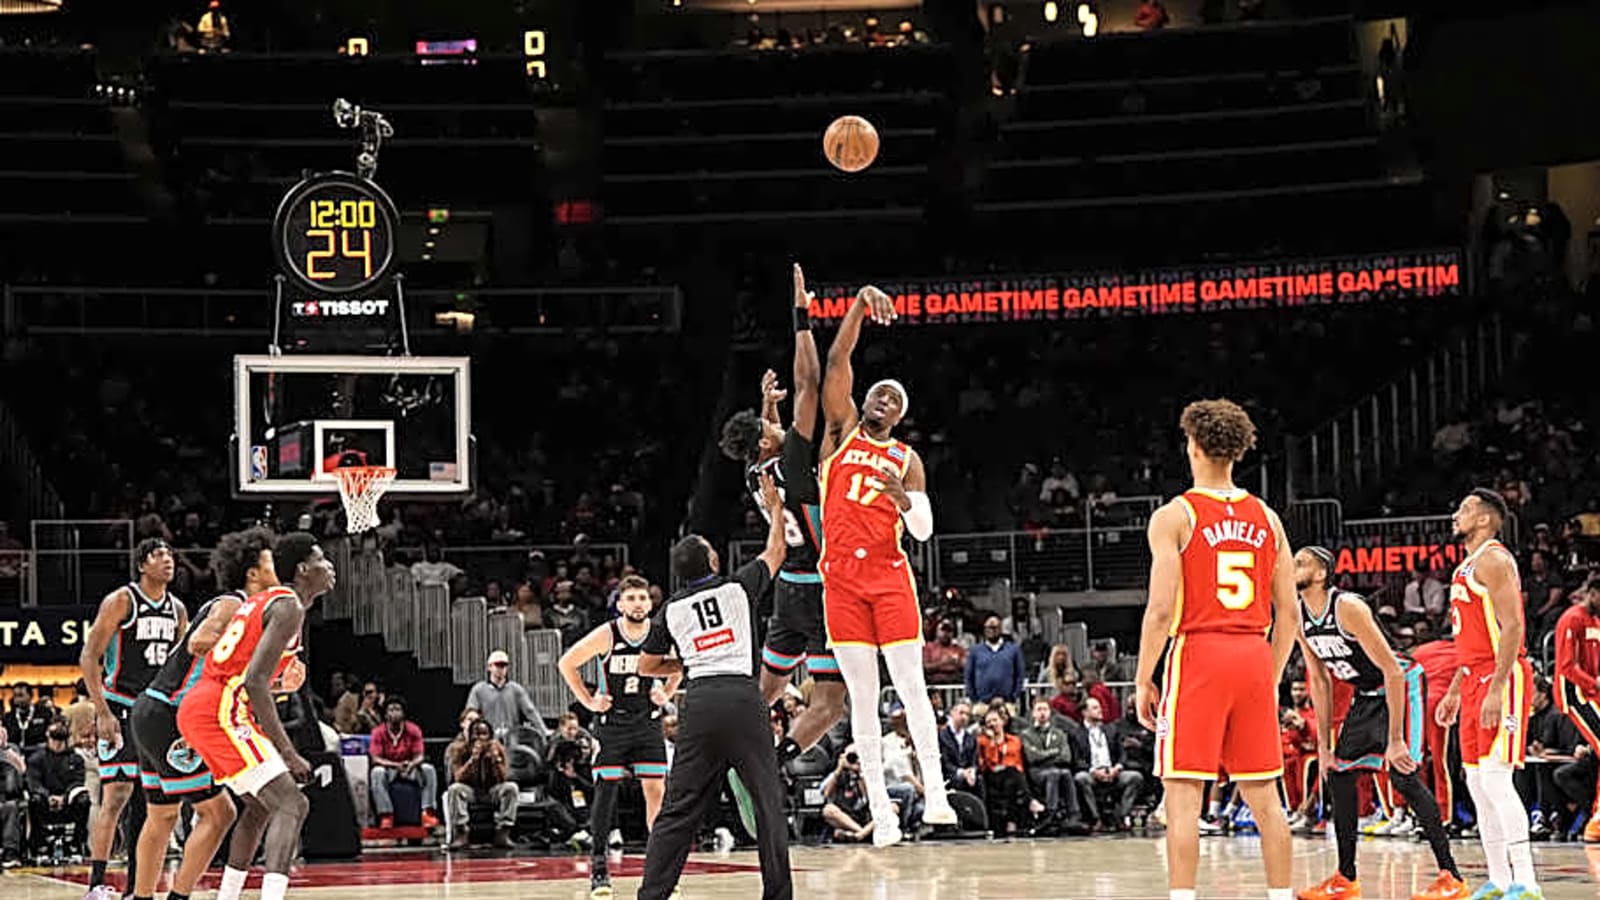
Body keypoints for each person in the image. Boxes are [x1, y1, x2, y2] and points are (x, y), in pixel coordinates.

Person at [1134, 399, 1297, 900]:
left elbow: (1160, 610)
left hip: (1199, 653)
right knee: (1265, 797)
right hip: (1253, 652)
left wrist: (1143, 677)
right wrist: (1270, 677)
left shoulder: (1175, 515)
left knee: (1183, 796)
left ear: (1194, 447)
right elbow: (1290, 614)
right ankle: (1281, 896)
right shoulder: (1268, 518)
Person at [815, 284, 957, 847]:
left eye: (894, 400)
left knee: (912, 687)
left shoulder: (907, 459)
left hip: (889, 575)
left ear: (901, 416)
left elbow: (922, 530)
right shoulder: (841, 433)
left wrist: (902, 499)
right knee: (863, 698)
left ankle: (937, 794)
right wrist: (857, 306)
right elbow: (836, 362)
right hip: (841, 581)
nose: (883, 401)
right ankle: (883, 812)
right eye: (878, 393)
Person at [634, 470, 790, 900]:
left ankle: (652, 895)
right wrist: (776, 506)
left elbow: (647, 665)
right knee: (767, 803)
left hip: (700, 701)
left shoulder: (670, 609)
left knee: (678, 809)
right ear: (714, 562)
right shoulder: (739, 587)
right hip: (742, 697)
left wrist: (685, 662)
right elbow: (777, 550)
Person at [718, 263, 846, 764]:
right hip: (820, 587)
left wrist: (766, 407)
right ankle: (775, 762)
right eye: (772, 426)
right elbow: (808, 381)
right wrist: (801, 315)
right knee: (829, 704)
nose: (778, 425)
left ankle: (729, 752)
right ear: (767, 441)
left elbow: (762, 440)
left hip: (788, 590)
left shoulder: (754, 473)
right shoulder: (790, 460)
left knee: (764, 692)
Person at [1291, 546, 1465, 900]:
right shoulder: (1296, 614)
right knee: (1338, 774)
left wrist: (1396, 739)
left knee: (1403, 775)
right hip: (1366, 694)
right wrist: (1324, 747)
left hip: (1401, 684)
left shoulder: (1348, 607)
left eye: (1301, 563)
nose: (1293, 568)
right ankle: (1345, 878)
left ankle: (1452, 877)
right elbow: (1320, 682)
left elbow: (1392, 671)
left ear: (1322, 573)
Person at [177, 532, 336, 900]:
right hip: (221, 710)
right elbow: (253, 681)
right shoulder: (288, 606)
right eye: (321, 559)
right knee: (292, 803)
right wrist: (289, 753)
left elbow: (247, 673)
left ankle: (228, 896)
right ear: (302, 569)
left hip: (208, 706)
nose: (329, 566)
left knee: (260, 806)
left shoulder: (264, 601)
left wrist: (279, 682)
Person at [128, 527, 277, 900]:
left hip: (151, 710)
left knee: (162, 815)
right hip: (171, 713)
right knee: (220, 813)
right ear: (252, 572)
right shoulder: (233, 605)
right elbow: (199, 641)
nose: (277, 567)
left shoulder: (249, 611)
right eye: (270, 560)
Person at [1435, 489, 1539, 899]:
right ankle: (1498, 879)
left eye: (1464, 509)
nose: (1456, 515)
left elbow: (1513, 626)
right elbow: (1469, 640)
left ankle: (1526, 882)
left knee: (1497, 779)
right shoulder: (1465, 566)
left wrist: (1497, 686)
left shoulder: (1494, 559)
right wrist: (1455, 691)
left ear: (1483, 519)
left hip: (1502, 676)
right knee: (1477, 784)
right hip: (1473, 678)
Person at [557, 573, 680, 898]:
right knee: (605, 793)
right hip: (611, 724)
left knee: (656, 792)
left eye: (642, 598)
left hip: (647, 722)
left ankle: (660, 872)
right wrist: (588, 701)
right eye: (631, 598)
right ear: (620, 604)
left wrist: (667, 692)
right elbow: (566, 663)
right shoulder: (607, 634)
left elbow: (682, 663)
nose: (637, 604)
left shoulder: (660, 634)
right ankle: (599, 870)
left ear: (650, 603)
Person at [80, 538, 183, 900]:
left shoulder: (177, 609)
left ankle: (137, 888)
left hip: (155, 712)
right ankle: (96, 884)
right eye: (158, 555)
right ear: (142, 564)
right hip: (120, 706)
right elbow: (89, 656)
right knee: (116, 795)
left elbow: (182, 666)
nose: (167, 560)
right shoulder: (122, 600)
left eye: (170, 554)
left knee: (151, 800)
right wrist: (102, 712)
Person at [1552, 572, 1600, 842]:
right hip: (1575, 694)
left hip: (1592, 692)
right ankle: (1595, 819)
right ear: (1592, 593)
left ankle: (1595, 819)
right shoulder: (1572, 618)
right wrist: (1594, 683)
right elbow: (1567, 666)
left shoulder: (1595, 621)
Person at [444, 717, 518, 850]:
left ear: (490, 736)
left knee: (511, 788)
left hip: (491, 790)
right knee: (455, 789)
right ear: (470, 735)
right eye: (476, 734)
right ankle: (462, 832)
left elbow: (504, 777)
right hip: (471, 790)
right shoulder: (459, 749)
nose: (480, 739)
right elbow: (458, 777)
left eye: (484, 734)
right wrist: (472, 760)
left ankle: (503, 832)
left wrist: (496, 760)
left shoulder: (498, 748)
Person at [368, 696, 439, 830]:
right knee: (376, 772)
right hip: (389, 769)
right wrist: (395, 765)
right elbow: (375, 758)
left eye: (398, 709)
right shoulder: (378, 732)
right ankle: (386, 815)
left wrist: (411, 764)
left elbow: (420, 756)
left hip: (409, 768)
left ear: (403, 713)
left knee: (428, 769)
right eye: (391, 710)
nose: (394, 713)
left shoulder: (413, 729)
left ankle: (426, 812)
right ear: (385, 715)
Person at [27, 722, 90, 855]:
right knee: (35, 800)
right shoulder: (36, 759)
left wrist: (64, 798)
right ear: (48, 738)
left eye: (61, 740)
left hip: (68, 800)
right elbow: (34, 782)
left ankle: (77, 842)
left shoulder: (76, 759)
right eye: (54, 739)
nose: (57, 744)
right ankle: (40, 843)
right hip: (45, 799)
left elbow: (78, 782)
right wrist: (47, 796)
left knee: (83, 799)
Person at [465, 651, 550, 743]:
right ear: (489, 667)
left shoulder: (516, 689)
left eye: (504, 666)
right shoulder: (479, 690)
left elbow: (530, 711)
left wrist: (543, 731)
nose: (501, 669)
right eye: (497, 665)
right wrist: (469, 736)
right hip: (488, 738)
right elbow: (470, 714)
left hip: (511, 738)